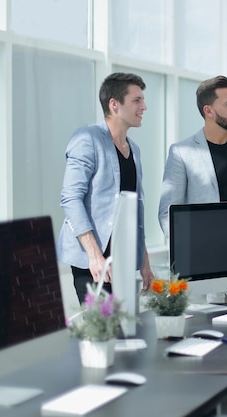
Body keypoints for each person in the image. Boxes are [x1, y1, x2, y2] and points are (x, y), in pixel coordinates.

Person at [158, 75, 227, 304]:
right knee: (206, 332)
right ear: (208, 111)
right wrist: (188, 255)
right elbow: (167, 212)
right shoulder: (182, 152)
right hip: (204, 268)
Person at [58, 72, 155, 304]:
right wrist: (95, 256)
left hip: (121, 260)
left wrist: (145, 262)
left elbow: (135, 210)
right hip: (91, 261)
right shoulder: (87, 138)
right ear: (114, 104)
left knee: (125, 330)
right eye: (137, 100)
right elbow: (71, 199)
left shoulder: (135, 149)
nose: (144, 106)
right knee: (101, 332)